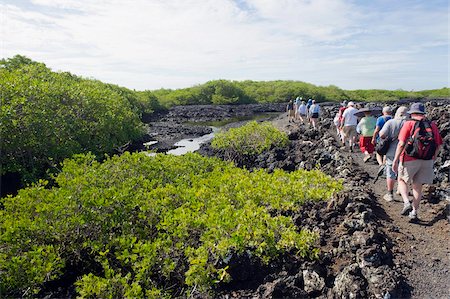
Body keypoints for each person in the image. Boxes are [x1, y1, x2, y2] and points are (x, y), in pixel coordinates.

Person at [392, 103, 443, 221]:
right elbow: (439, 144)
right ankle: (414, 212)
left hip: (409, 158)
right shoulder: (432, 125)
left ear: (412, 113)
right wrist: (433, 157)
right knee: (418, 186)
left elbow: (401, 144)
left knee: (402, 180)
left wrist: (395, 160)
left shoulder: (408, 123)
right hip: (427, 160)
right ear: (423, 113)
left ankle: (406, 202)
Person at [379, 106, 408, 202]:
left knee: (391, 173)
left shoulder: (390, 122)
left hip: (391, 151)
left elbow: (382, 134)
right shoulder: (410, 124)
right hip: (406, 152)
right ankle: (401, 190)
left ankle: (390, 194)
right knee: (403, 172)